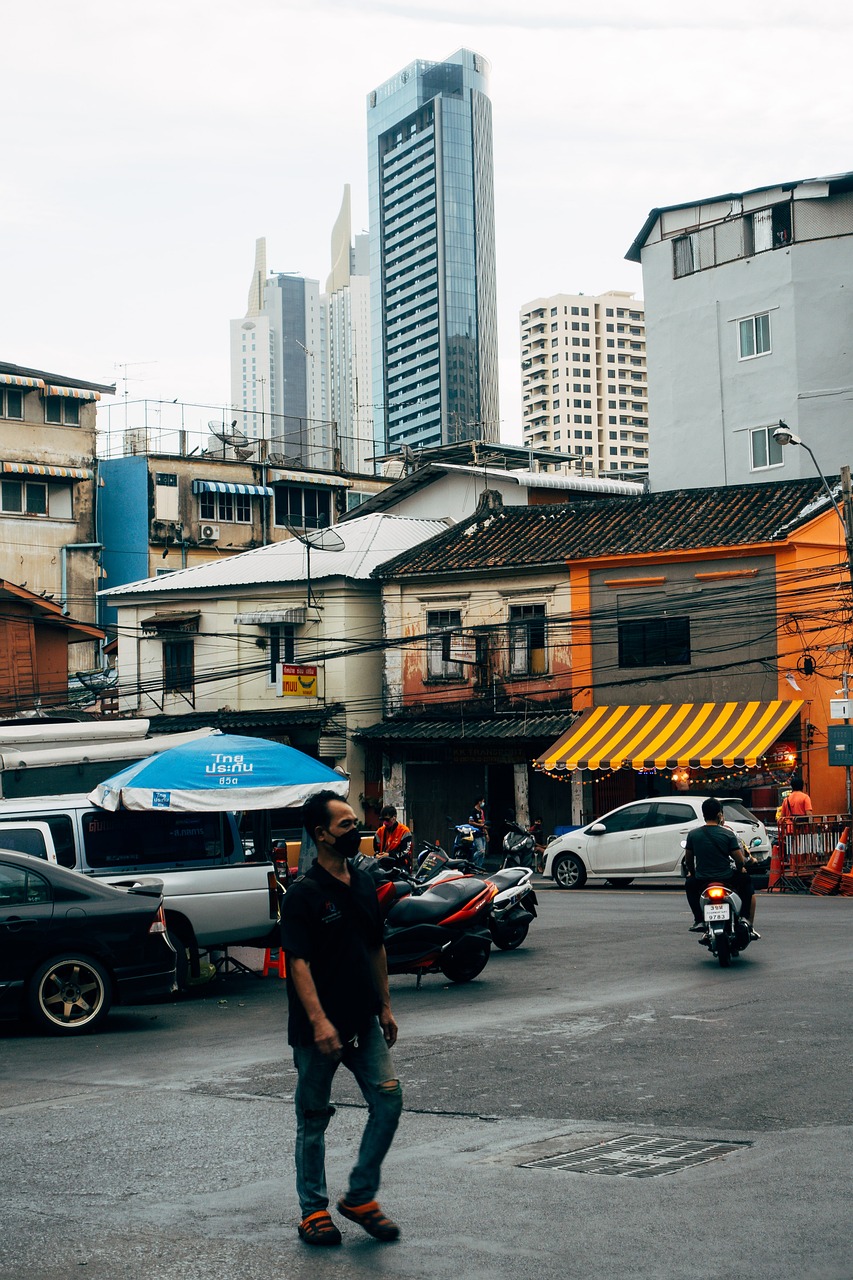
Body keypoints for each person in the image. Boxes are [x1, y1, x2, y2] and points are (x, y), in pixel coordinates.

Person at [281, 790, 403, 1248]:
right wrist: (319, 1023)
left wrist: (385, 1005)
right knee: (313, 1118)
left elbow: (376, 947)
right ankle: (312, 1210)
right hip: (318, 1030)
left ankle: (361, 1197)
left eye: (356, 822)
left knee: (389, 1100)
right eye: (347, 825)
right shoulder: (303, 895)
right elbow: (298, 964)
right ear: (321, 835)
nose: (357, 831)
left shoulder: (365, 883)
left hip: (363, 1021)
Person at [684, 797, 760, 940]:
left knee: (689, 884)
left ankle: (699, 919)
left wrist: (692, 873)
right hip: (726, 877)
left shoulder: (693, 835)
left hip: (702, 879)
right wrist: (740, 869)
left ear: (703, 814)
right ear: (720, 814)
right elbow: (739, 860)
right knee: (746, 882)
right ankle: (744, 918)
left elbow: (689, 861)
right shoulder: (728, 834)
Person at [373, 804, 413, 872]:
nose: (385, 823)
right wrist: (377, 855)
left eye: (387, 820)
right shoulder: (379, 832)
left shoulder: (405, 831)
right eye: (383, 820)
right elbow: (376, 849)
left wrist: (389, 855)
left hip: (400, 864)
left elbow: (405, 853)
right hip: (383, 864)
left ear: (394, 817)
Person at [469, 796, 488, 869]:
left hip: (482, 833)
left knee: (483, 854)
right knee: (481, 851)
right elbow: (470, 822)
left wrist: (486, 834)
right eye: (482, 801)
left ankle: (479, 867)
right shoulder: (473, 811)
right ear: (479, 802)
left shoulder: (481, 812)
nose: (483, 803)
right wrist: (480, 825)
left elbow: (483, 823)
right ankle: (470, 861)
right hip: (476, 834)